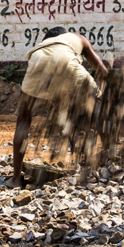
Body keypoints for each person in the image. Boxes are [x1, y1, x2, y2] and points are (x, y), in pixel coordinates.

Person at [8, 26, 108, 188]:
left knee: (23, 121)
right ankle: (110, 160)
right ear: (65, 35)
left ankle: (16, 178)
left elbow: (52, 96)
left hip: (36, 64)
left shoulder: (39, 48)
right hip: (68, 65)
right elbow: (102, 71)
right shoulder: (77, 38)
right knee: (99, 106)